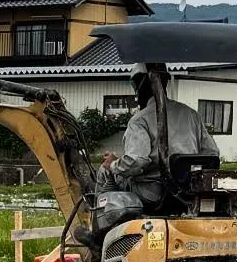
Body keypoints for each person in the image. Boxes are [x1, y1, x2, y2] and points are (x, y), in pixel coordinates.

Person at [88, 68, 220, 237]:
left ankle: (98, 237)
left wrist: (113, 163)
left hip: (153, 193)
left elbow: (137, 161)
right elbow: (212, 153)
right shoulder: (191, 115)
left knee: (105, 171)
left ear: (140, 86)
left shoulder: (141, 119)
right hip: (189, 191)